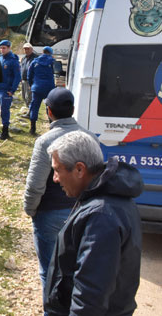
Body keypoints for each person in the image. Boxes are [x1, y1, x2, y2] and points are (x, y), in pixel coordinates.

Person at [44, 130, 143, 315]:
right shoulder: (103, 199)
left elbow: (89, 297)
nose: (55, 179)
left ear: (80, 169)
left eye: (57, 170)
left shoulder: (101, 216)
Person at [23, 88, 96, 303]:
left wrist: (30, 209)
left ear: (48, 112)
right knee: (78, 271)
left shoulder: (45, 142)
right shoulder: (90, 138)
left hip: (50, 215)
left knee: (50, 272)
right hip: (83, 213)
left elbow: (35, 185)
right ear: (72, 110)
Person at [27, 46, 56, 135]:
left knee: (34, 107)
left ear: (42, 52)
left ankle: (32, 129)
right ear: (50, 53)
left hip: (37, 88)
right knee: (50, 106)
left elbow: (29, 75)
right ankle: (51, 126)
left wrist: (32, 85)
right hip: (49, 88)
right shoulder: (52, 61)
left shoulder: (34, 61)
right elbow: (57, 71)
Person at [0, 39, 21, 140]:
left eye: (4, 48)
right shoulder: (0, 58)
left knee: (4, 110)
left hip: (6, 90)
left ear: (9, 48)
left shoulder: (13, 60)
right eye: (1, 48)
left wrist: (12, 90)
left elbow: (17, 77)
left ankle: (5, 131)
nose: (2, 50)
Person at [20, 42, 38, 114]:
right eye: (25, 49)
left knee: (29, 97)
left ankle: (31, 112)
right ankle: (29, 110)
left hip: (31, 81)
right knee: (24, 97)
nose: (26, 50)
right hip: (23, 80)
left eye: (27, 49)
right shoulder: (24, 58)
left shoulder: (35, 58)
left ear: (31, 49)